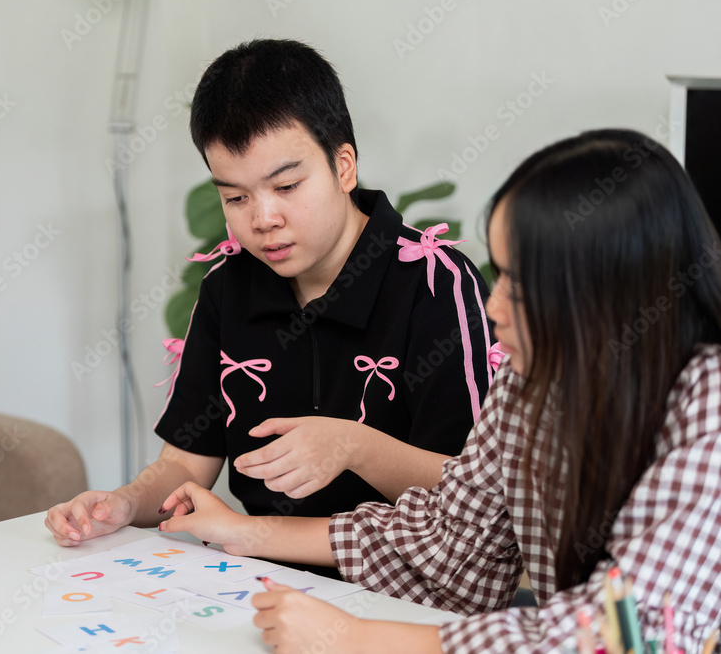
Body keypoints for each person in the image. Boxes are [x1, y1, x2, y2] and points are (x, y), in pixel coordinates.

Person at [156, 128, 721, 653]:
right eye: (501, 275)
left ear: (610, 290)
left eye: (523, 286)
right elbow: (454, 535)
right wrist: (246, 532)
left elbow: (624, 629)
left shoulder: (709, 407)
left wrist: (356, 637)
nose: (496, 308)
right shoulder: (530, 383)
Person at [46, 40, 495, 557]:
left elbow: (473, 493)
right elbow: (186, 463)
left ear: (343, 166)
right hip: (263, 574)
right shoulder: (227, 287)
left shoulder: (435, 284)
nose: (263, 220)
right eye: (235, 197)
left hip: (396, 582)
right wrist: (124, 504)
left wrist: (354, 447)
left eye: (286, 187)